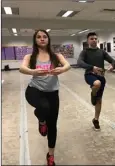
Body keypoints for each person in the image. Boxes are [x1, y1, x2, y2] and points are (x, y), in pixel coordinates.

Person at [19, 29, 71, 165]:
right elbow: (22, 68)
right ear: (35, 40)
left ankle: (51, 155)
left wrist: (62, 69)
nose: (42, 39)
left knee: (53, 125)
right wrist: (33, 71)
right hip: (34, 91)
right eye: (38, 37)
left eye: (44, 37)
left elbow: (68, 65)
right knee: (43, 107)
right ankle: (41, 119)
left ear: (48, 39)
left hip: (53, 93)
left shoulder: (56, 56)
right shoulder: (30, 57)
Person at [77, 32, 115, 131]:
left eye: (95, 38)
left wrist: (112, 66)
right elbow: (79, 62)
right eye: (91, 39)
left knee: (99, 101)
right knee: (97, 83)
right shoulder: (85, 52)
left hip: (101, 76)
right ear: (88, 41)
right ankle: (92, 94)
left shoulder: (102, 52)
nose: (94, 40)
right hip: (90, 75)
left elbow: (113, 61)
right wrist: (92, 67)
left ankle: (96, 119)